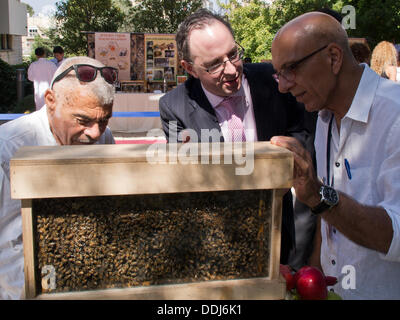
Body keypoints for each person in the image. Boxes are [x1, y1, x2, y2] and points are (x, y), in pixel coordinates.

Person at [159, 8, 313, 265]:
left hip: (283, 236)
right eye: (214, 64)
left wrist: (290, 159)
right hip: (218, 244)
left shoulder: (276, 82)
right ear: (190, 68)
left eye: (233, 54)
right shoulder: (174, 107)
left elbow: (304, 137)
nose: (231, 70)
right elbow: (187, 186)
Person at [270, 11, 400, 299]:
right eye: (278, 73)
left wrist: (317, 195)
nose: (282, 85)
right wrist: (313, 277)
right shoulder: (325, 116)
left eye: (291, 69)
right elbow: (328, 219)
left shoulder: (395, 116)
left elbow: (397, 238)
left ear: (333, 57)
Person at [0, 56, 117, 299]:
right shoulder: (7, 148)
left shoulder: (104, 138)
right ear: (51, 101)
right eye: (83, 120)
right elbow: (7, 247)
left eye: (104, 120)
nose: (95, 133)